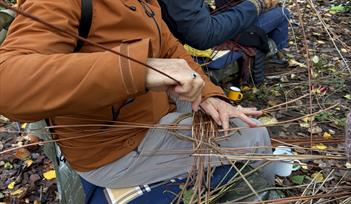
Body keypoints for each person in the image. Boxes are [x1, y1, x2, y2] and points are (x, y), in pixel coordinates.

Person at [0, 0, 272, 201]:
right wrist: (140, 70)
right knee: (253, 134)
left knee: (232, 116)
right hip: (116, 148)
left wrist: (210, 94)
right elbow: (7, 83)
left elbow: (170, 47)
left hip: (149, 112)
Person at [158, 0, 290, 84]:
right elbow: (204, 35)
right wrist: (256, 5)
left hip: (209, 26)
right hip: (208, 42)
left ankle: (268, 52)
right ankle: (270, 53)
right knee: (282, 14)